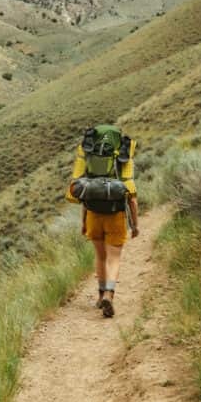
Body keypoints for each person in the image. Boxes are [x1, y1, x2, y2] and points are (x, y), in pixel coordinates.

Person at [67, 123, 138, 318]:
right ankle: (109, 293)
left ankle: (99, 296)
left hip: (92, 215)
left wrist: (83, 222)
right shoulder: (121, 156)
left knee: (100, 256)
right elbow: (131, 198)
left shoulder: (91, 157)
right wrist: (135, 225)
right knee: (113, 258)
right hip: (115, 215)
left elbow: (86, 193)